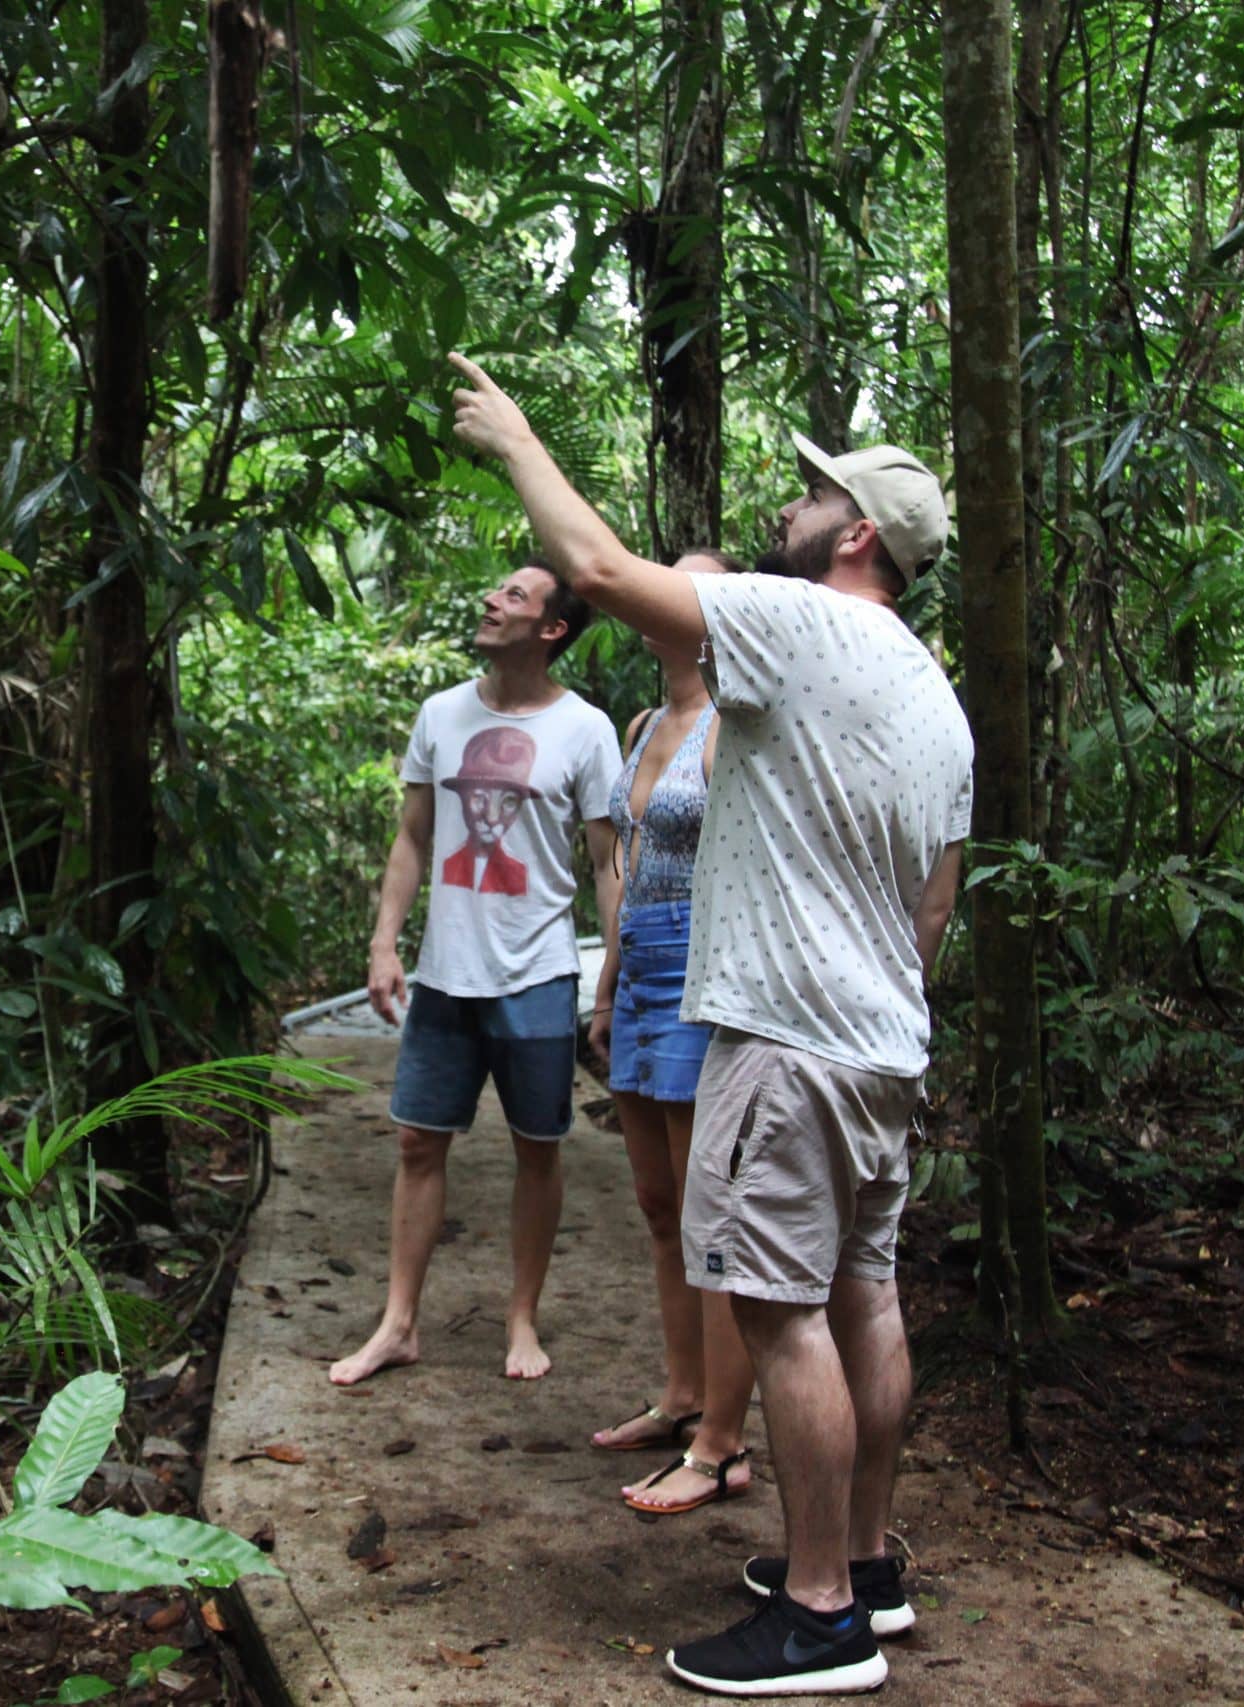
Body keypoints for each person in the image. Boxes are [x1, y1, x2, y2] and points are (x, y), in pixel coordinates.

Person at [450, 353, 969, 1698]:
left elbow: (605, 572)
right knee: (866, 1292)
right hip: (879, 1046)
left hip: (789, 1039)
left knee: (780, 1307)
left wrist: (517, 441)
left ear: (857, 535)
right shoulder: (937, 697)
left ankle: (816, 1618)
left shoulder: (807, 625)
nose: (790, 510)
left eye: (813, 496)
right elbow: (932, 907)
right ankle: (866, 1565)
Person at [331, 561, 623, 1388]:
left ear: (551, 629)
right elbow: (413, 838)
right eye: (496, 588)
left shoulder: (586, 730)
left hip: (537, 969)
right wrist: (386, 945)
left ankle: (522, 1317)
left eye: (515, 595)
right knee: (418, 1141)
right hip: (445, 974)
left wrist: (611, 981)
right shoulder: (441, 714)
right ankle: (398, 1323)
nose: (491, 597)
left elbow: (607, 863)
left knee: (539, 1146)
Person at [586, 550, 764, 1522]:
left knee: (711, 1212)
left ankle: (723, 1441)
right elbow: (624, 863)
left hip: (708, 968)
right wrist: (606, 987)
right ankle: (681, 1391)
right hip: (640, 967)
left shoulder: (737, 721)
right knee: (658, 1204)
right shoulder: (644, 722)